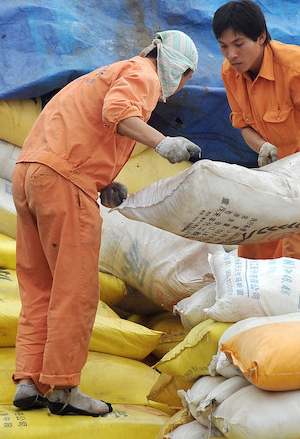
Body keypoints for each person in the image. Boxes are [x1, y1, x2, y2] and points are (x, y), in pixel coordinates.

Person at [11, 30, 201, 417]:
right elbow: (118, 112)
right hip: (63, 182)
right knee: (75, 288)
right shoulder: (144, 74)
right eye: (186, 78)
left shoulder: (103, 74)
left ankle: (29, 380)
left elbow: (82, 131)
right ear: (178, 69)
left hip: (30, 174)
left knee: (40, 285)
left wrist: (102, 183)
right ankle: (64, 388)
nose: (179, 87)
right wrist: (163, 142)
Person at [212, 0, 300, 264]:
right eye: (223, 46)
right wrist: (262, 147)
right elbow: (244, 125)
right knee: (254, 245)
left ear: (261, 37)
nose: (231, 55)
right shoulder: (229, 73)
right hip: (279, 170)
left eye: (239, 44)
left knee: (296, 251)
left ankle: (291, 291)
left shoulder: (293, 66)